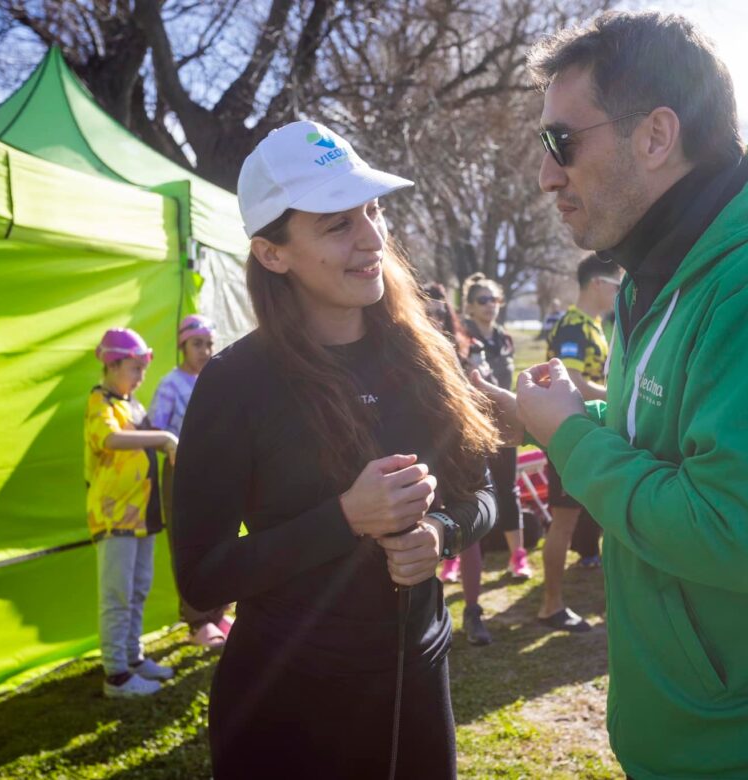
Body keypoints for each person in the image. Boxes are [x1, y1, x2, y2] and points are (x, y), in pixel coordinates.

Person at [474, 11, 748, 777]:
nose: (544, 175)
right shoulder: (661, 267)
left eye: (559, 143)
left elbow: (730, 533)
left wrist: (569, 435)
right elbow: (669, 443)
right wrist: (556, 417)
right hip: (692, 736)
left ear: (656, 136)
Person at [171, 121, 498, 779]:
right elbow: (202, 576)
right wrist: (345, 518)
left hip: (417, 682)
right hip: (288, 706)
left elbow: (483, 495)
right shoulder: (236, 382)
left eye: (373, 211)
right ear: (273, 254)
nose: (373, 237)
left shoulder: (423, 353)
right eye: (337, 223)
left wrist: (441, 530)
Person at [84, 328, 177, 698]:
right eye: (134, 368)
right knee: (117, 596)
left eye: (143, 369)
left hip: (142, 518)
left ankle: (133, 658)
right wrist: (162, 439)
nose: (141, 377)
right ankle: (116, 675)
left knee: (137, 590)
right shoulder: (101, 402)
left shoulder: (132, 404)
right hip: (115, 518)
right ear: (112, 365)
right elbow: (109, 439)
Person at [537, 254, 619, 632]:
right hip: (567, 433)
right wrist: (622, 396)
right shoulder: (574, 326)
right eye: (617, 286)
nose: (621, 294)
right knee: (563, 523)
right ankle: (550, 606)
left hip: (588, 434)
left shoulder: (594, 326)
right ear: (598, 284)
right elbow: (574, 383)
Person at [149, 314, 234, 649]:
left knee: (222, 536)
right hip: (182, 473)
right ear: (182, 345)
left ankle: (219, 613)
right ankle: (197, 619)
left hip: (220, 471)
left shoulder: (217, 380)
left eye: (209, 344)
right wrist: (174, 441)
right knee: (188, 542)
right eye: (197, 344)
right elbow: (156, 427)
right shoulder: (170, 384)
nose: (205, 350)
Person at [424, 283, 493, 646]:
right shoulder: (402, 352)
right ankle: (428, 613)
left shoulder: (466, 350)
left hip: (462, 448)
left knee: (469, 534)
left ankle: (472, 611)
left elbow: (482, 393)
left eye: (438, 311)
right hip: (422, 453)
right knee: (423, 532)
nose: (432, 317)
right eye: (425, 310)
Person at [462, 273, 532, 580]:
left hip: (504, 425)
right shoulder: (461, 337)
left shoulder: (504, 337)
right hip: (470, 424)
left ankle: (518, 557)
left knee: (508, 488)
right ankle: (458, 560)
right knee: (467, 490)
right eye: (483, 300)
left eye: (495, 300)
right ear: (470, 306)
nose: (491, 306)